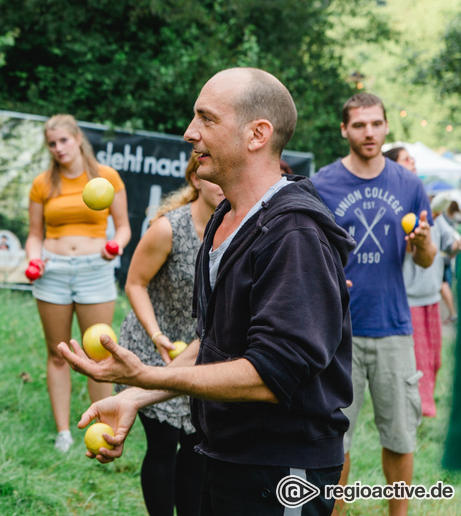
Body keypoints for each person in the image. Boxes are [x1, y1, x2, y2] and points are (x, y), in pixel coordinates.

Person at [59, 67, 354, 516]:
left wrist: (149, 375)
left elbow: (271, 374)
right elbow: (218, 344)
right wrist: (136, 396)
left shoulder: (295, 233)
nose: (189, 132)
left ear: (257, 134)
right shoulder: (226, 221)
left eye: (207, 119)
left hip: (281, 470)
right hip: (226, 456)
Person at [312, 93, 436, 516]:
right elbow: (308, 254)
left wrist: (421, 245)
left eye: (376, 124)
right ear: (344, 129)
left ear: (386, 127)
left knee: (400, 436)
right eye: (359, 125)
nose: (369, 132)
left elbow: (427, 257)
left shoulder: (409, 184)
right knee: (335, 439)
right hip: (337, 333)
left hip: (393, 328)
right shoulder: (322, 184)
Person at [115, 152, 220, 515]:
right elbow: (135, 283)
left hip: (199, 355)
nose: (221, 187)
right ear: (196, 180)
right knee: (163, 448)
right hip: (152, 348)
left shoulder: (237, 232)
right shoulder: (168, 228)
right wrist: (156, 333)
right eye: (213, 179)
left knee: (196, 448)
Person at [24, 114, 131, 452]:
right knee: (58, 354)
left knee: (98, 355)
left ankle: (102, 428)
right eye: (52, 144)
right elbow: (33, 235)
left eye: (64, 141)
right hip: (52, 272)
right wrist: (33, 259)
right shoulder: (43, 183)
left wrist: (117, 245)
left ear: (78, 139)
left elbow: (124, 226)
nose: (58, 148)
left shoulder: (106, 177)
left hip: (93, 270)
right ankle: (63, 433)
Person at [384, 148, 460, 418]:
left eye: (413, 160)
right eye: (406, 159)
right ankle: (415, 410)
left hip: (431, 297)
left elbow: (450, 242)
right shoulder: (394, 204)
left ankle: (425, 406)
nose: (413, 163)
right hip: (409, 297)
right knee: (416, 364)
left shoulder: (425, 203)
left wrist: (450, 242)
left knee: (434, 360)